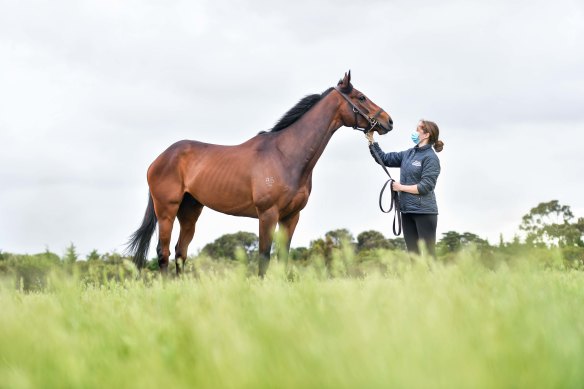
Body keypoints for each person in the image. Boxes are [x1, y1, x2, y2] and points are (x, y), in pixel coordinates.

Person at [366, 120, 444, 257]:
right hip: (407, 211)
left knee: (428, 256)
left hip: (424, 212)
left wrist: (400, 187)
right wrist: (371, 141)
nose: (414, 132)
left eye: (418, 129)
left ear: (426, 135)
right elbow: (384, 158)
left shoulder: (431, 158)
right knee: (413, 256)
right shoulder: (408, 154)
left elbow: (425, 187)